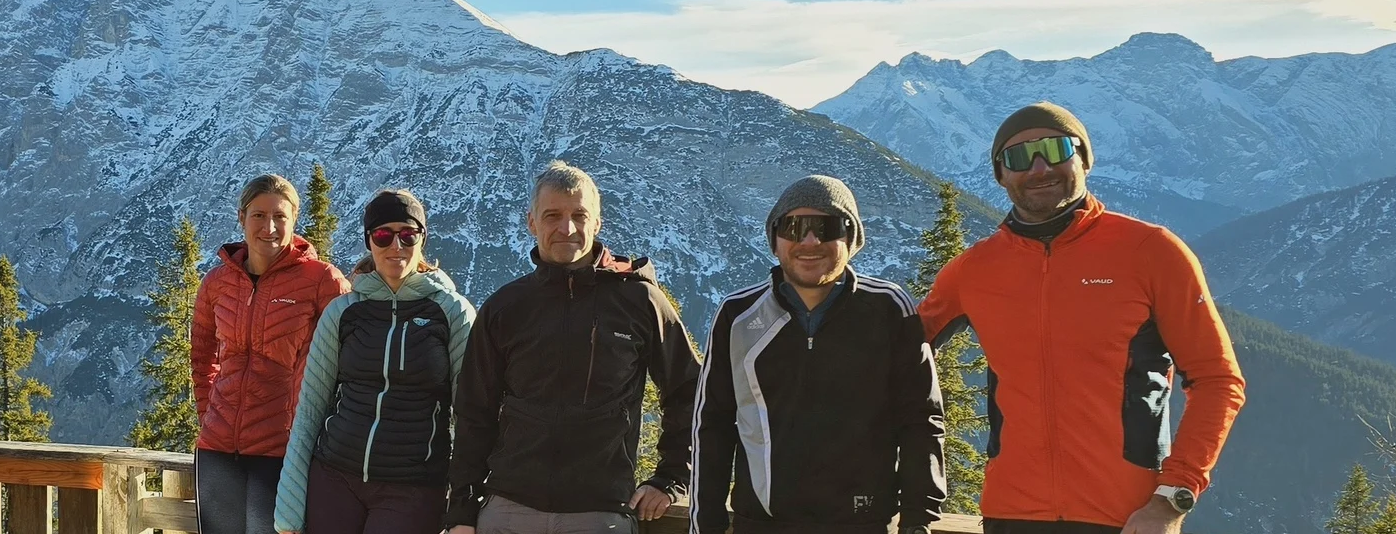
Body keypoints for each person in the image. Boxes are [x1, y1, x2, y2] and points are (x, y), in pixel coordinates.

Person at [918, 102, 1247, 534]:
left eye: (1055, 150)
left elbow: (1218, 380)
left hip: (1128, 518)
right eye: (1018, 157)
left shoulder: (1151, 251)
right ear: (1001, 175)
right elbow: (888, 352)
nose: (1038, 168)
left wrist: (1173, 498)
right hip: (1011, 515)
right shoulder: (973, 270)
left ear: (1084, 159)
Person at [445, 160, 703, 534]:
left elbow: (690, 390)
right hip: (509, 509)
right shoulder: (505, 307)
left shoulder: (639, 300)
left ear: (597, 222)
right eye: (552, 215)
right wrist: (462, 514)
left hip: (600, 512)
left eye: (579, 215)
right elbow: (473, 412)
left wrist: (671, 477)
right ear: (531, 222)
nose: (566, 228)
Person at [691, 175, 947, 534]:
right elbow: (712, 426)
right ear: (775, 240)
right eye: (794, 227)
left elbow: (921, 421)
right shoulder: (738, 315)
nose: (809, 241)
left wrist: (918, 524)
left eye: (826, 227)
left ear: (851, 237)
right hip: (760, 525)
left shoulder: (889, 309)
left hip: (863, 524)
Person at [275, 190, 476, 534]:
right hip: (335, 476)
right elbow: (310, 408)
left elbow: (472, 416)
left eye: (407, 234)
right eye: (383, 235)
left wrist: (463, 509)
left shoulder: (452, 313)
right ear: (369, 241)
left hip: (413, 485)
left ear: (421, 239)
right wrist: (289, 507)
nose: (395, 245)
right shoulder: (343, 312)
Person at [193, 174, 352, 534]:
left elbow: (348, 361)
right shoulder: (216, 283)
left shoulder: (322, 281)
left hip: (284, 452)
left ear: (294, 220)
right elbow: (202, 356)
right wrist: (209, 415)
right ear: (241, 218)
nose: (270, 227)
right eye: (259, 216)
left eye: (280, 217)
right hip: (217, 450)